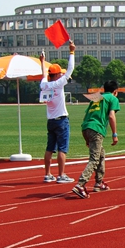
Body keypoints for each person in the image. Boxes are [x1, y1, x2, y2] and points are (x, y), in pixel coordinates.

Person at [72, 80, 120, 199]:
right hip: (96, 129)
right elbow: (111, 116)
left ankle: (99, 182)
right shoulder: (113, 98)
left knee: (101, 154)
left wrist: (86, 137)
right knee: (94, 159)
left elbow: (87, 114)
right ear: (115, 91)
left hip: (86, 127)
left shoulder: (96, 97)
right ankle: (80, 184)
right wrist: (114, 134)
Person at [40, 42, 76, 183]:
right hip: (61, 120)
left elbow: (43, 74)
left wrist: (42, 61)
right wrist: (71, 52)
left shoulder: (44, 85)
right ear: (57, 75)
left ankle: (48, 174)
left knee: (50, 148)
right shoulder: (58, 84)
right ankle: (61, 175)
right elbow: (70, 69)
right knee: (62, 148)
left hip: (50, 120)